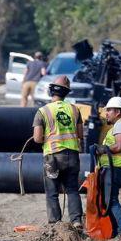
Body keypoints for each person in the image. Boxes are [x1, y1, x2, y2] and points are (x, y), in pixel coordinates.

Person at [32, 74, 83, 228]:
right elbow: (80, 134)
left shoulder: (42, 111)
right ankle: (76, 221)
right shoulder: (75, 110)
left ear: (51, 90)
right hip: (73, 156)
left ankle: (56, 224)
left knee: (52, 191)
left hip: (53, 157)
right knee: (72, 190)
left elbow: (37, 138)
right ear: (67, 92)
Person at [97, 95, 121, 241]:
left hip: (115, 169)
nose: (106, 113)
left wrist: (102, 149)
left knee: (111, 200)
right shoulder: (118, 126)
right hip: (113, 168)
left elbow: (118, 146)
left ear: (117, 112)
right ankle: (114, 230)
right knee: (108, 200)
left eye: (109, 110)